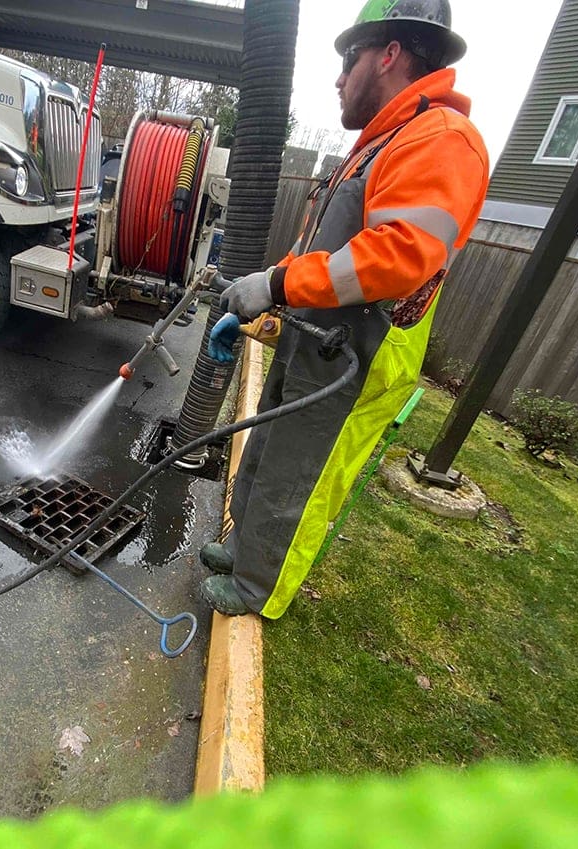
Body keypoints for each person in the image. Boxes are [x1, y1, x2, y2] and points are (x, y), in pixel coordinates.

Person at [199, 0, 489, 617]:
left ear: (390, 53)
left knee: (299, 474)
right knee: (269, 446)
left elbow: (401, 255)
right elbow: (324, 254)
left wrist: (274, 287)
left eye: (347, 59)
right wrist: (268, 299)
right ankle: (243, 550)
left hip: (360, 350)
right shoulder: (383, 143)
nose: (337, 78)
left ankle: (258, 590)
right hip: (320, 335)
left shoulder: (442, 140)